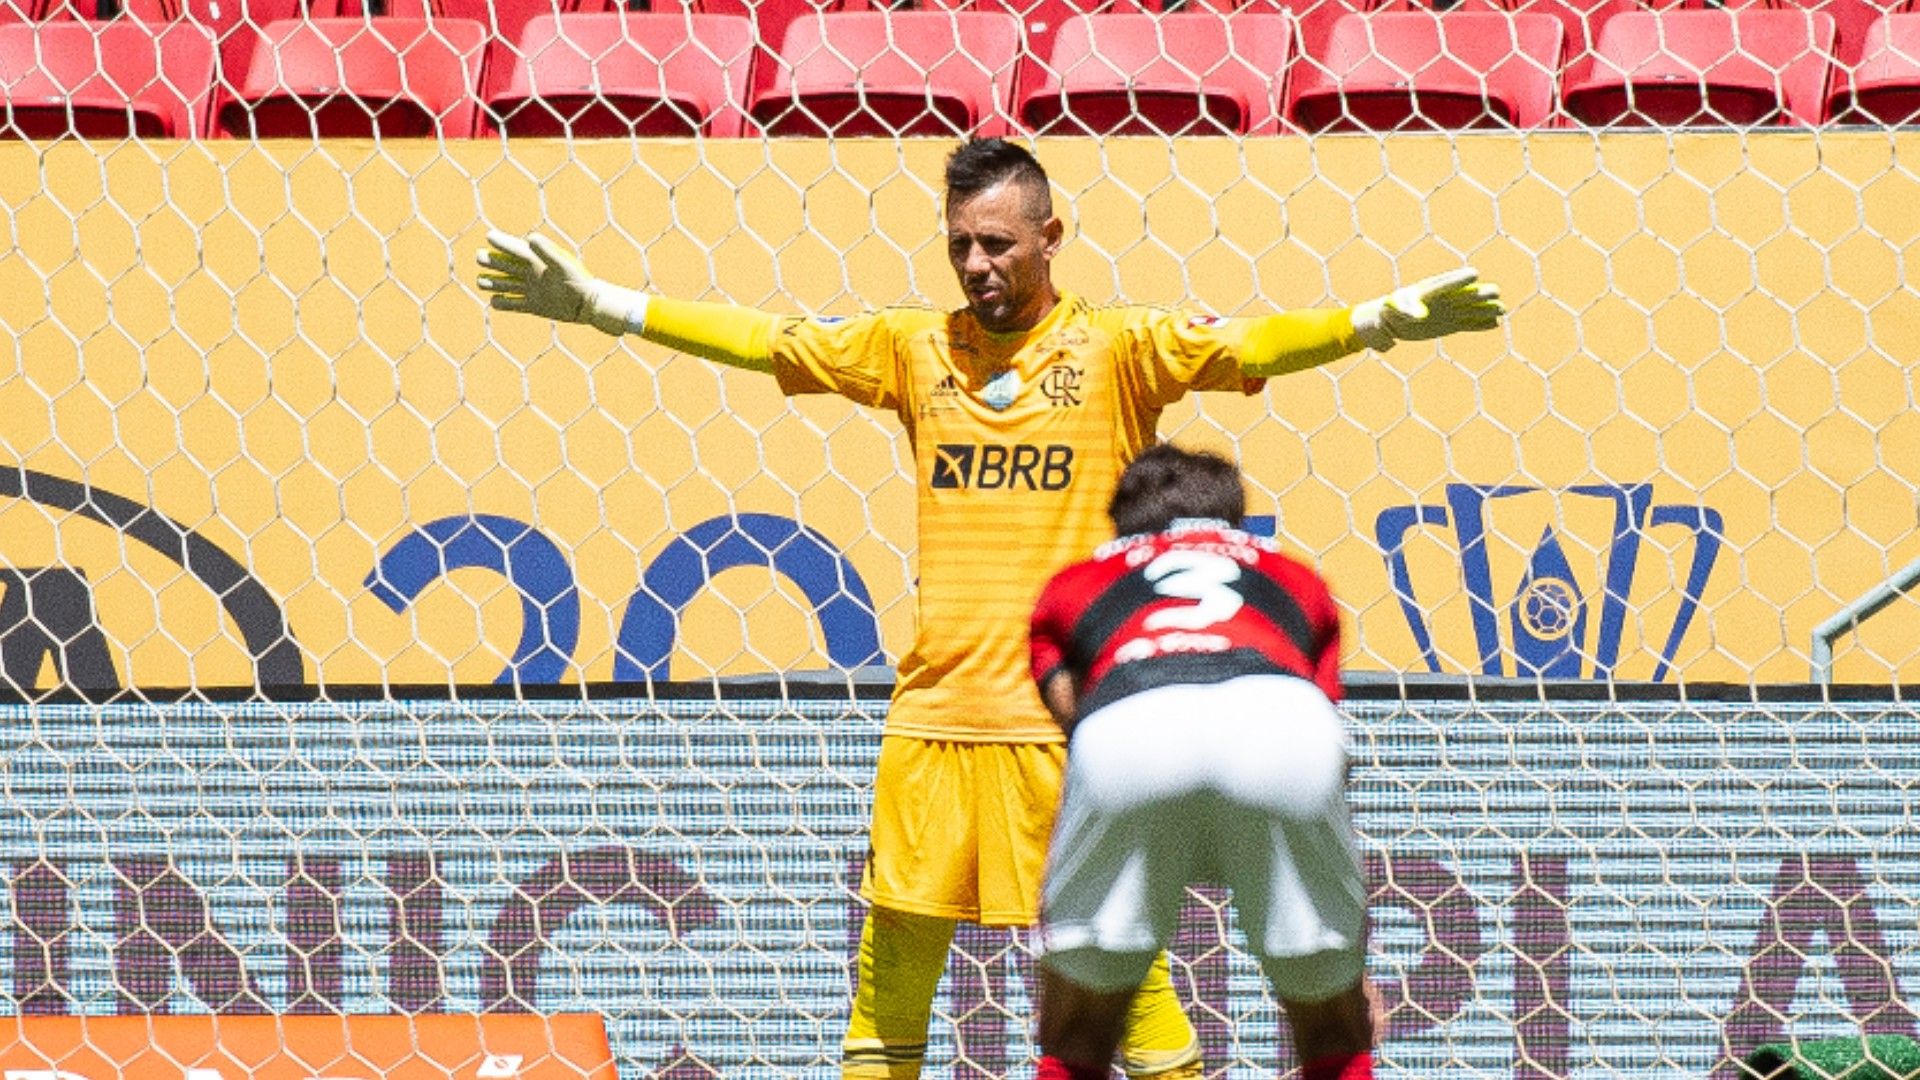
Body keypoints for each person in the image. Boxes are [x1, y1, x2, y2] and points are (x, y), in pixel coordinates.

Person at [474, 138, 1501, 1079]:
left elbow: (1257, 344)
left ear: (1051, 237)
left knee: (1128, 996)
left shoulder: (1116, 349)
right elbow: (762, 338)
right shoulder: (915, 350)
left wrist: (1376, 323)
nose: (977, 266)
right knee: (884, 1003)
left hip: (1062, 729)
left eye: (999, 243)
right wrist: (605, 306)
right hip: (931, 725)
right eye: (960, 245)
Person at [1027, 443, 1372, 1080]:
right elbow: (1322, 707)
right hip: (1281, 724)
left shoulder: (1078, 580)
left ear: (1124, 524)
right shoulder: (1294, 577)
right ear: (1235, 521)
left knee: (1081, 1024)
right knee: (1331, 1017)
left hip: (1132, 728)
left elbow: (1069, 703)